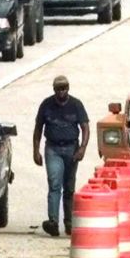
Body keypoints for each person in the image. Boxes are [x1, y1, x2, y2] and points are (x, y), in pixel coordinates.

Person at [33, 75, 90, 236]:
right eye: (58, 89)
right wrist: (35, 150)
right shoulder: (46, 105)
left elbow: (85, 128)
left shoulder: (76, 105)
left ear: (68, 88)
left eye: (64, 88)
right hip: (53, 149)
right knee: (54, 183)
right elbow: (38, 129)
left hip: (72, 148)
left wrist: (82, 148)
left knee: (69, 187)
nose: (61, 92)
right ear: (54, 90)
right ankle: (53, 222)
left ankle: (69, 222)